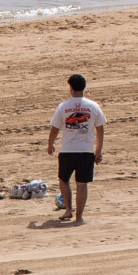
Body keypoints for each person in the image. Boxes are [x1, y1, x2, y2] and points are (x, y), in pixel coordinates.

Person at [48, 73, 107, 224]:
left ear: (71, 88)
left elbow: (55, 128)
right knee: (82, 184)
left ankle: (68, 210)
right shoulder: (93, 106)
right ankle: (79, 217)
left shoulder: (63, 106)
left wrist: (50, 144)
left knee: (64, 180)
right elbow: (100, 129)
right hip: (86, 151)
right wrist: (98, 150)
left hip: (67, 150)